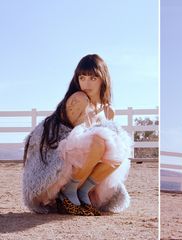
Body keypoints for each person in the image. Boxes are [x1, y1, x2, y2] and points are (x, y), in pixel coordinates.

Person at [23, 54, 132, 216]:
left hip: (77, 163)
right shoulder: (79, 99)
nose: (86, 84)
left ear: (103, 79)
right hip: (55, 162)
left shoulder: (105, 109)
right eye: (82, 77)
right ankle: (69, 191)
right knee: (99, 141)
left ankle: (83, 191)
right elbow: (74, 137)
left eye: (93, 78)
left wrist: (108, 119)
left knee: (119, 146)